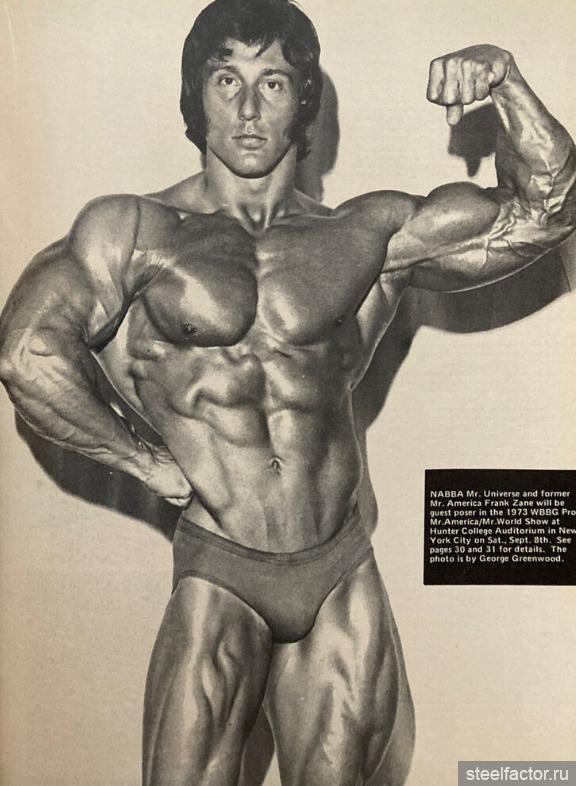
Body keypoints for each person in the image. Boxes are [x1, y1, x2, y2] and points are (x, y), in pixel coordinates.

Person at [1, 0, 575, 784]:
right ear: (196, 94)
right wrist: (143, 462)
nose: (247, 106)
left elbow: (547, 212)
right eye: (225, 79)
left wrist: (506, 82)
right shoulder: (134, 234)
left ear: (302, 101)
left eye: (272, 82)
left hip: (339, 570)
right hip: (219, 568)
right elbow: (26, 351)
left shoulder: (366, 235)